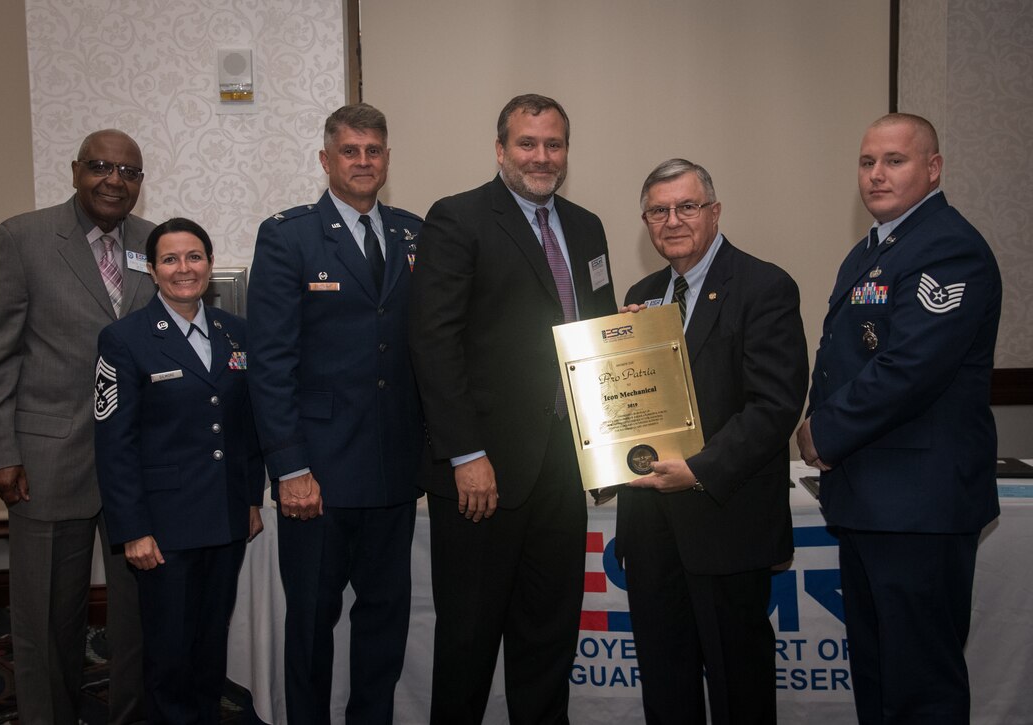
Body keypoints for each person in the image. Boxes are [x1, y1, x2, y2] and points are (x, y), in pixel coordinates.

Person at [409, 93, 618, 724]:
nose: (541, 157)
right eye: (527, 144)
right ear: (501, 149)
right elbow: (433, 341)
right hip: (484, 474)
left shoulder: (587, 227)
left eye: (553, 144)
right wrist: (465, 453)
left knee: (549, 636)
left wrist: (624, 339)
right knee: (469, 642)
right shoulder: (457, 219)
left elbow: (595, 329)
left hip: (562, 468)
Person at [797, 113, 1002, 724]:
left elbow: (910, 369)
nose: (876, 175)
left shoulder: (949, 248)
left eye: (895, 161)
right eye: (867, 162)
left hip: (920, 507)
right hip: (872, 501)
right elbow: (842, 356)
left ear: (932, 169)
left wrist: (821, 431)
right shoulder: (876, 248)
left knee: (920, 689)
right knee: (880, 677)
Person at [0, 129, 150, 724]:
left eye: (128, 172)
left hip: (139, 465)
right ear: (75, 171)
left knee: (140, 617)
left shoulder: (157, 242)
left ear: (140, 183)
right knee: (46, 618)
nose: (113, 180)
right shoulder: (23, 238)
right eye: (100, 166)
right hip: (47, 460)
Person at [614, 158, 808, 725]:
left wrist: (698, 469)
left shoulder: (764, 286)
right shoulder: (642, 294)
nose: (672, 220)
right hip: (652, 531)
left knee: (738, 685)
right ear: (646, 221)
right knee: (665, 687)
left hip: (727, 523)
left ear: (714, 212)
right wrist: (621, 348)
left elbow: (774, 406)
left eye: (687, 207)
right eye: (658, 210)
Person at [248, 103, 424, 724]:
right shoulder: (288, 236)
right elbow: (269, 363)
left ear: (386, 158)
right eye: (350, 151)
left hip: (393, 469)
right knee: (312, 624)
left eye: (374, 150)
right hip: (316, 476)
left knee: (385, 620)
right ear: (326, 160)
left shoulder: (412, 233)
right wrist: (290, 467)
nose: (363, 161)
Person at [93, 217, 264, 723]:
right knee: (169, 655)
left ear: (209, 266)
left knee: (211, 647)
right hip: (164, 528)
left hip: (227, 518)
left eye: (194, 257)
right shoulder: (124, 339)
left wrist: (251, 499)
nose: (183, 268)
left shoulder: (238, 333)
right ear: (152, 269)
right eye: (170, 259)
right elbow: (114, 443)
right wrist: (134, 530)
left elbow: (248, 427)